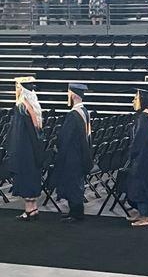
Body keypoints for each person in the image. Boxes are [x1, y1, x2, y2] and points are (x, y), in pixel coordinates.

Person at [51, 83, 93, 223]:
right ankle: (75, 212)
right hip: (81, 154)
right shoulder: (85, 112)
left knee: (73, 184)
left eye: (68, 93)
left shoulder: (74, 115)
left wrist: (58, 145)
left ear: (73, 95)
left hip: (72, 156)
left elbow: (65, 137)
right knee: (77, 184)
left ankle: (76, 214)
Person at [6, 76, 43, 221]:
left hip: (23, 151)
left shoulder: (21, 107)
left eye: (17, 87)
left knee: (25, 178)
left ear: (21, 89)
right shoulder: (34, 107)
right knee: (32, 177)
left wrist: (12, 151)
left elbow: (17, 134)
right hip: (34, 150)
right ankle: (33, 208)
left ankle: (28, 210)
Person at [126, 89, 148, 227]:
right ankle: (142, 213)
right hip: (147, 158)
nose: (133, 101)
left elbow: (139, 140)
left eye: (135, 99)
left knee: (142, 186)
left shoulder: (144, 118)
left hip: (143, 159)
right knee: (141, 185)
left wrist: (132, 153)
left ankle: (146, 216)